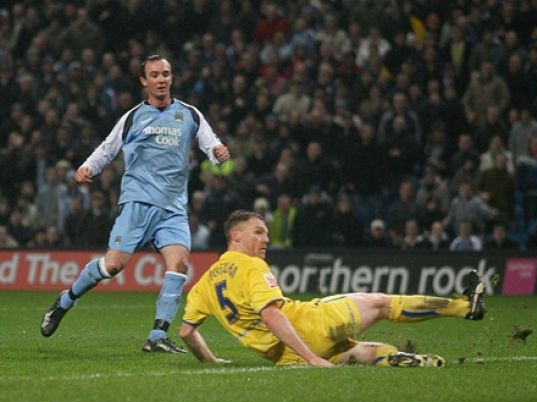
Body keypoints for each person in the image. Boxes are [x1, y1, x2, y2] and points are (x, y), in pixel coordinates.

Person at [40, 55, 230, 354]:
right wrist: (88, 167)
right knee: (113, 265)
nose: (162, 79)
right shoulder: (133, 117)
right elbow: (108, 147)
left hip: (173, 208)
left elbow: (209, 141)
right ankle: (65, 301)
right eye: (154, 75)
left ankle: (156, 337)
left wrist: (217, 150)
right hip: (137, 202)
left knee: (178, 265)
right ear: (144, 81)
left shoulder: (190, 114)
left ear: (172, 77)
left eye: (166, 73)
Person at [179, 210, 486, 368]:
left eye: (266, 233)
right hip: (312, 326)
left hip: (286, 359)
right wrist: (312, 357)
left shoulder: (204, 284)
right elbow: (271, 314)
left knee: (359, 352)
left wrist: (211, 361)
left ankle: (395, 357)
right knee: (380, 303)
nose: (266, 239)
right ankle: (465, 306)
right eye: (258, 232)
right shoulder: (251, 267)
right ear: (236, 235)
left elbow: (186, 332)